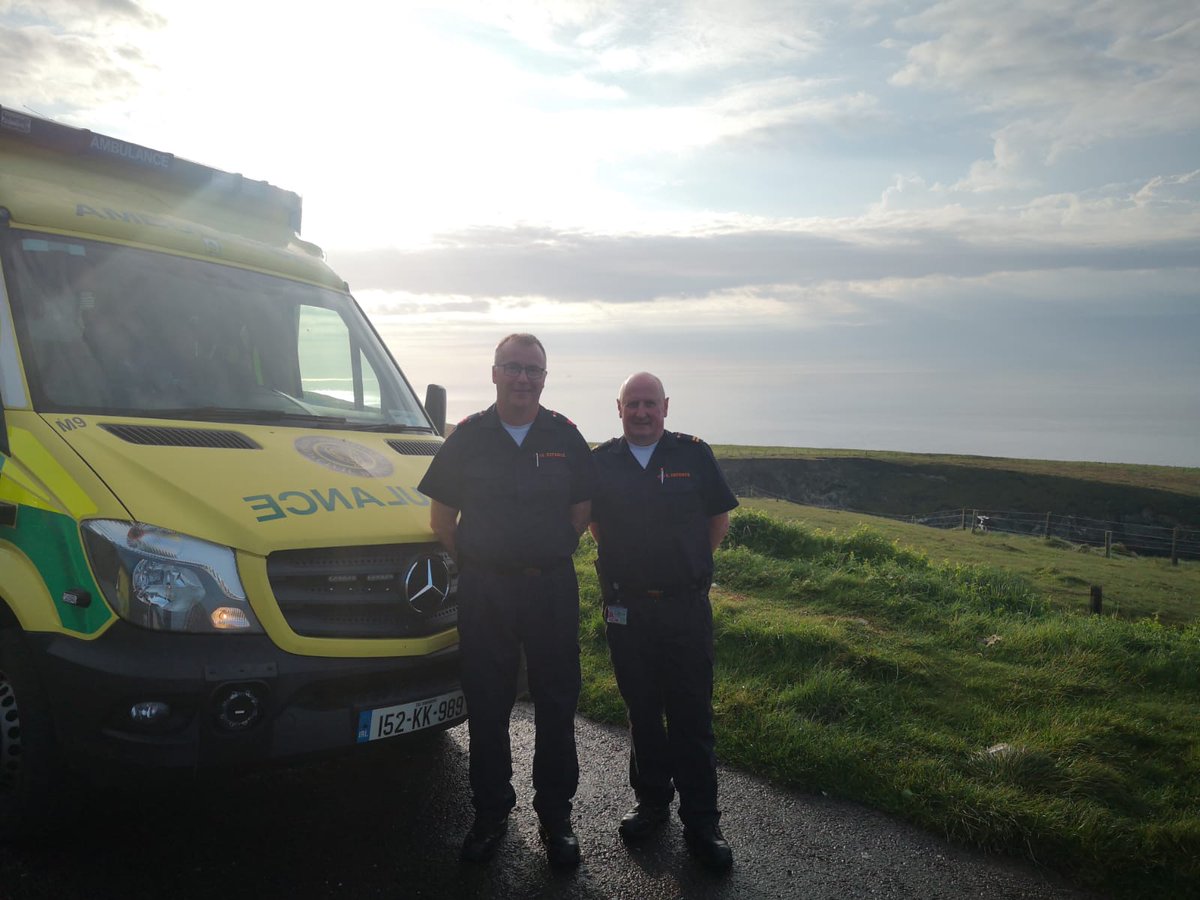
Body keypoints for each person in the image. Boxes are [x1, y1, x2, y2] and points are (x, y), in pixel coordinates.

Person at [418, 333, 595, 868]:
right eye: (513, 368)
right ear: (494, 373)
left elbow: (582, 509)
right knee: (488, 704)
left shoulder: (565, 436)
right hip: (487, 590)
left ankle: (556, 818)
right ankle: (491, 813)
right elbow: (441, 519)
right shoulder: (468, 437)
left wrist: (551, 551)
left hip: (551, 588)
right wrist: (479, 561)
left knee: (557, 702)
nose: (523, 378)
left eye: (533, 370)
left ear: (545, 377)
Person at [588, 372, 739, 871]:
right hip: (626, 609)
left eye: (650, 403)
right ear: (619, 408)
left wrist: (684, 568)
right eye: (632, 403)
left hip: (683, 608)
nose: (641, 412)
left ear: (666, 406)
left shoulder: (693, 454)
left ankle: (702, 821)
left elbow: (717, 519)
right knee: (643, 711)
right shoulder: (602, 461)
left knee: (692, 714)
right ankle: (652, 803)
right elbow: (594, 524)